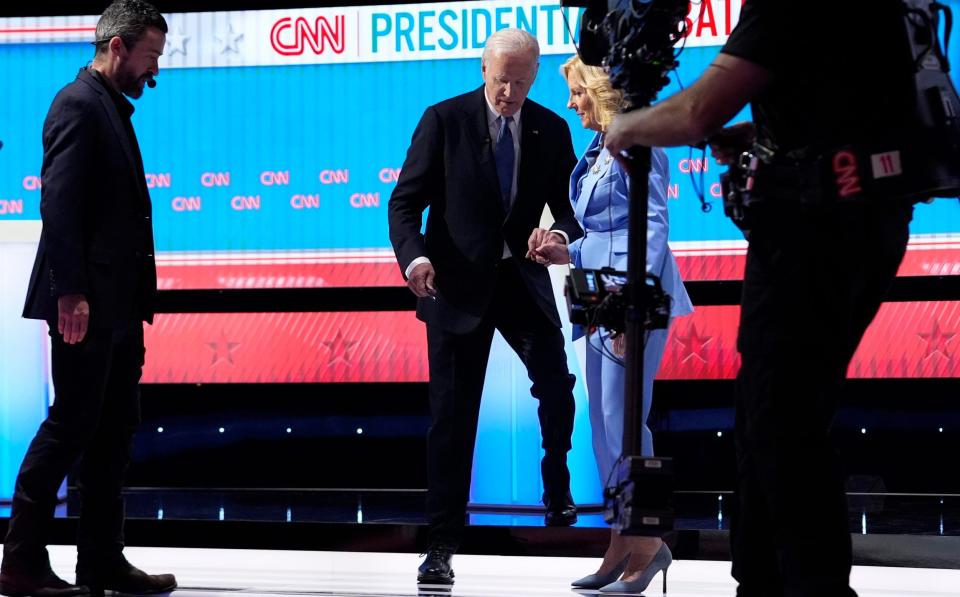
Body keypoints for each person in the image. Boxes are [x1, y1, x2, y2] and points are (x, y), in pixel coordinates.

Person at [604, 2, 917, 596]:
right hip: (863, 222)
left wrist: (626, 126)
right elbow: (845, 105)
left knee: (782, 421)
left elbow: (698, 110)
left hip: (817, 231)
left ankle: (810, 586)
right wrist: (764, 133)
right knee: (771, 414)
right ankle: (764, 579)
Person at [387, 28, 584, 585]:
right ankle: (442, 544)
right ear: (483, 71)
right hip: (454, 288)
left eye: (520, 82)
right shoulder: (443, 120)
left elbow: (571, 211)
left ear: (534, 77)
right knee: (452, 421)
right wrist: (415, 259)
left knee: (555, 383)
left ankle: (557, 483)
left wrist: (558, 240)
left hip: (521, 283)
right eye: (501, 81)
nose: (509, 93)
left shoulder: (551, 127)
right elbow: (404, 205)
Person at [0, 2, 177, 596]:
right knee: (72, 426)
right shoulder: (77, 104)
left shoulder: (111, 107)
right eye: (150, 56)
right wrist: (70, 292)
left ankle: (101, 560)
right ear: (118, 47)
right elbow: (60, 205)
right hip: (86, 303)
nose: (155, 71)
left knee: (113, 433)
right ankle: (21, 561)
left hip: (120, 306)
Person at [531, 55, 692, 594]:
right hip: (597, 298)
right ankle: (623, 538)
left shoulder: (638, 142)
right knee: (602, 425)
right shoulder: (601, 148)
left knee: (625, 423)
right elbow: (606, 228)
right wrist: (566, 247)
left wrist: (631, 301)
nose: (571, 102)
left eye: (577, 92)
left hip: (630, 300)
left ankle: (647, 542)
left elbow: (651, 226)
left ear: (599, 90)